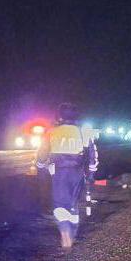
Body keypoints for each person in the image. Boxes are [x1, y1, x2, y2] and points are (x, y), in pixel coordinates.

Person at [36, 103, 99, 248]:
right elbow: (92, 155)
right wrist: (91, 174)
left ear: (60, 116)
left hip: (59, 173)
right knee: (73, 204)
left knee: (59, 204)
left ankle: (65, 232)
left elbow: (42, 153)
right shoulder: (83, 132)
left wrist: (40, 167)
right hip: (77, 173)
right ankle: (72, 232)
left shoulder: (52, 131)